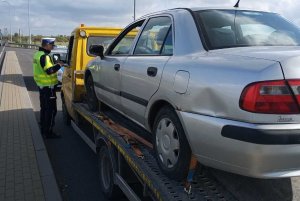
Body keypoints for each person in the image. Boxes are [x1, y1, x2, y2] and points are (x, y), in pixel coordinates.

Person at [33, 38, 63, 138]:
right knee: (51, 110)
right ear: (46, 45)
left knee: (44, 108)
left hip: (42, 86)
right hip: (48, 87)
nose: (53, 47)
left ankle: (43, 126)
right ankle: (48, 132)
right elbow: (49, 71)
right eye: (52, 45)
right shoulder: (45, 56)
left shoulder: (37, 54)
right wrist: (59, 65)